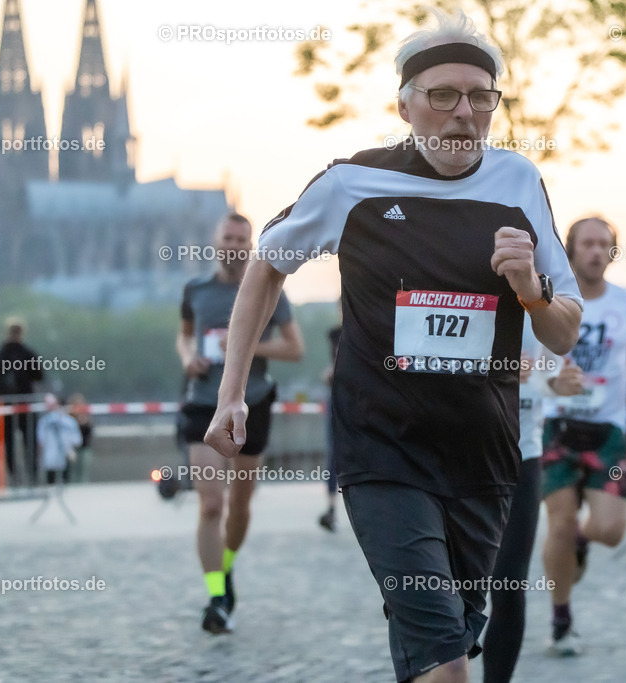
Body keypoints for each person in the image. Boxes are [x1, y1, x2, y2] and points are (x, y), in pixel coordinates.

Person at [204, 11, 582, 682]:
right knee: (448, 664)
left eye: (481, 97)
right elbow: (267, 265)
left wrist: (530, 290)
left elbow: (564, 330)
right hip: (383, 452)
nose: (463, 112)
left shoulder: (519, 182)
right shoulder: (352, 185)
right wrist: (230, 391)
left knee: (443, 647)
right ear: (405, 106)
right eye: (444, 95)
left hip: (483, 458)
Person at [177, 212, 304, 634]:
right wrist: (187, 357)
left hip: (254, 403)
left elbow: (295, 349)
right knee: (211, 503)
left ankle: (226, 566)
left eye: (240, 239)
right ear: (216, 241)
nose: (233, 245)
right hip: (203, 402)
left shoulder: (268, 285)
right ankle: (216, 595)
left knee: (240, 505)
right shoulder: (195, 289)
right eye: (227, 238)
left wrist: (245, 342)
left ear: (250, 245)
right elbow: (184, 334)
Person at [539, 217, 626, 656]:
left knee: (609, 529)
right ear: (570, 250)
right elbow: (531, 355)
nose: (595, 251)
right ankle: (561, 620)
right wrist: (551, 383)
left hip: (608, 428)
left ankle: (582, 544)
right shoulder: (551, 300)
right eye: (586, 243)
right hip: (558, 423)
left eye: (603, 244)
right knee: (560, 523)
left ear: (612, 252)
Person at [481, 317, 546, 683]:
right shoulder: (459, 289)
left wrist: (553, 382)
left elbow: (562, 375)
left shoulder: (545, 301)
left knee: (508, 585)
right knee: (446, 589)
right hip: (457, 459)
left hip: (522, 458)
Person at [0, 320, 44, 484]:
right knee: (29, 441)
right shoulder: (27, 353)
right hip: (25, 404)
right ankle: (32, 476)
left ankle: (14, 477)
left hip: (6, 406)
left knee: (9, 443)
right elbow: (39, 375)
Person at [318, 319, 342, 532]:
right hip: (337, 398)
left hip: (363, 398)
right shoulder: (335, 333)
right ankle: (331, 507)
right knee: (334, 455)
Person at [36, 393, 82, 485]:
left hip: (62, 457)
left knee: (59, 482)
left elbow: (40, 441)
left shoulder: (46, 421)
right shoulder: (45, 421)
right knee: (58, 482)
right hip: (54, 457)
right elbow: (77, 441)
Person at [67, 393, 94, 483]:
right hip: (73, 448)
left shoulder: (86, 416)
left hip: (84, 447)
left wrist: (83, 421)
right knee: (73, 471)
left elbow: (89, 431)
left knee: (83, 470)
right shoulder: (70, 417)